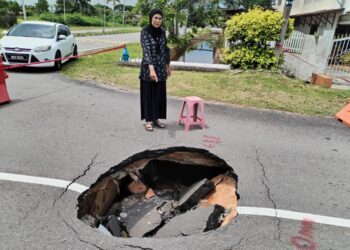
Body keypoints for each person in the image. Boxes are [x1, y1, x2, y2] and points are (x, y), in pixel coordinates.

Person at [140, 8, 171, 132]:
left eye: (160, 18)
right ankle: (148, 120)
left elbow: (165, 49)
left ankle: (156, 118)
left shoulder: (162, 32)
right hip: (148, 69)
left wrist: (168, 65)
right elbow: (146, 51)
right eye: (155, 18)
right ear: (151, 18)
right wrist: (151, 69)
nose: (157, 21)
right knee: (149, 94)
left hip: (161, 68)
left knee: (159, 94)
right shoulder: (145, 32)